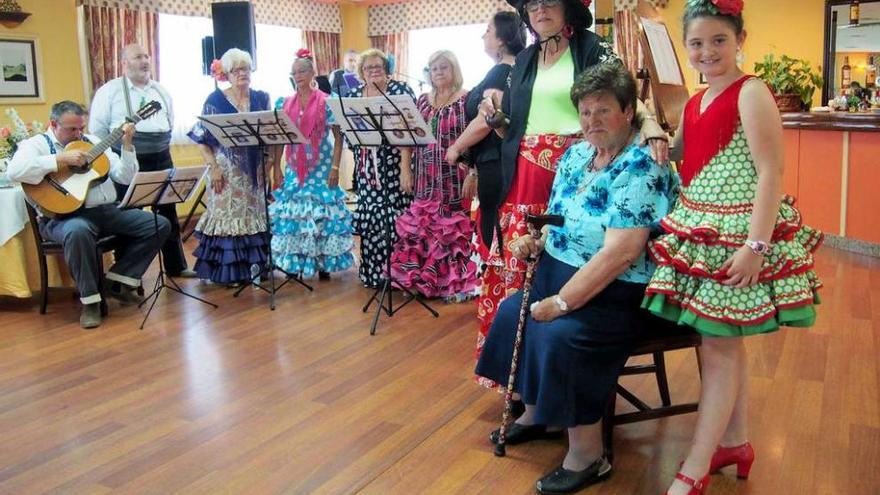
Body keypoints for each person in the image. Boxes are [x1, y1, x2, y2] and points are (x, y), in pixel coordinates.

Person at [641, 2, 822, 494]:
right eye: (697, 43)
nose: (707, 51)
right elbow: (682, 149)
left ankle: (697, 463)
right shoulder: (699, 99)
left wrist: (756, 246)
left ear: (740, 38)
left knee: (719, 348)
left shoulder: (752, 91)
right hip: (705, 229)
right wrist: (654, 130)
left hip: (737, 236)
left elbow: (771, 172)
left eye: (718, 40)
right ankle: (735, 442)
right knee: (720, 344)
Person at [475, 64, 678, 494]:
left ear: (629, 111)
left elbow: (622, 253)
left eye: (603, 111)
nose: (592, 121)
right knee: (513, 313)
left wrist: (564, 301)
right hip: (559, 268)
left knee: (560, 335)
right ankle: (536, 415)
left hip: (620, 291)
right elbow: (562, 216)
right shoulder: (576, 155)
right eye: (585, 112)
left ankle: (588, 456)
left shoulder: (643, 166)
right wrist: (537, 239)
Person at [475, 0, 670, 383]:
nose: (540, 9)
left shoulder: (592, 48)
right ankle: (518, 384)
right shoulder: (526, 57)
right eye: (532, 5)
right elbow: (515, 124)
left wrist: (651, 127)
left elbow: (623, 96)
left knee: (580, 258)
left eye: (550, 2)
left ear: (568, 8)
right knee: (524, 270)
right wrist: (497, 120)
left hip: (584, 161)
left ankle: (557, 366)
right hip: (526, 172)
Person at [8, 101, 170, 329]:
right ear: (53, 124)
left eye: (81, 128)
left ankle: (118, 280)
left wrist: (127, 145)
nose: (78, 134)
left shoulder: (94, 143)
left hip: (105, 212)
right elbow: (15, 171)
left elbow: (125, 177)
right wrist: (60, 159)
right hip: (61, 218)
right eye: (72, 129)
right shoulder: (36, 145)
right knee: (78, 231)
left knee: (158, 224)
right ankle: (90, 301)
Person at [444, 10, 526, 363]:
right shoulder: (517, 70)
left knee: (494, 238)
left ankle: (502, 322)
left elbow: (485, 120)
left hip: (495, 165)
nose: (483, 36)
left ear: (502, 38)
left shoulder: (500, 71)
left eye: (487, 31)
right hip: (494, 164)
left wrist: (457, 147)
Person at [89, 43, 195, 279]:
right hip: (126, 159)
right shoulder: (110, 91)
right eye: (138, 57)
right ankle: (126, 273)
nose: (145, 60)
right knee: (129, 213)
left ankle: (176, 266)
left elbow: (169, 121)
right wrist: (115, 158)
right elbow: (96, 131)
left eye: (147, 56)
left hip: (161, 156)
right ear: (124, 63)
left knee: (168, 210)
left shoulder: (161, 91)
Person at [389, 50, 477, 299]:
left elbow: (478, 141)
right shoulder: (421, 101)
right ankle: (420, 281)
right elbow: (407, 137)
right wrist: (405, 169)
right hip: (425, 177)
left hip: (455, 176)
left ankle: (452, 284)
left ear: (454, 70)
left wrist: (473, 172)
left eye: (443, 67)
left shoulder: (467, 99)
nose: (438, 72)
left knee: (451, 230)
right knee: (422, 227)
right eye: (433, 69)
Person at [187, 48, 272, 285]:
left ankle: (255, 268)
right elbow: (201, 139)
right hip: (225, 169)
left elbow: (270, 134)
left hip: (255, 169)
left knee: (253, 215)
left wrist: (269, 163)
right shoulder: (214, 100)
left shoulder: (261, 98)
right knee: (228, 219)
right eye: (236, 70)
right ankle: (230, 273)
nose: (242, 73)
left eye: (245, 68)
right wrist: (213, 167)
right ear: (227, 74)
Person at [270, 49, 354, 280]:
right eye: (294, 72)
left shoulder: (328, 101)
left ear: (313, 73)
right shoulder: (284, 103)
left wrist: (336, 168)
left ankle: (323, 263)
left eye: (303, 71)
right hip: (294, 164)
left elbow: (339, 137)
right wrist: (275, 166)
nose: (298, 75)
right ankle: (295, 261)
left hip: (322, 163)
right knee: (294, 213)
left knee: (321, 212)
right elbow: (279, 137)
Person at [348, 49, 417, 288]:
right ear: (362, 72)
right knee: (372, 220)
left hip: (395, 166)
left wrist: (405, 170)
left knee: (397, 219)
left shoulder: (400, 91)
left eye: (378, 66)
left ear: (386, 68)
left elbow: (410, 133)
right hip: (367, 170)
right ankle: (374, 275)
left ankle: (399, 276)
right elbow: (350, 135)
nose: (374, 70)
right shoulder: (354, 95)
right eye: (369, 68)